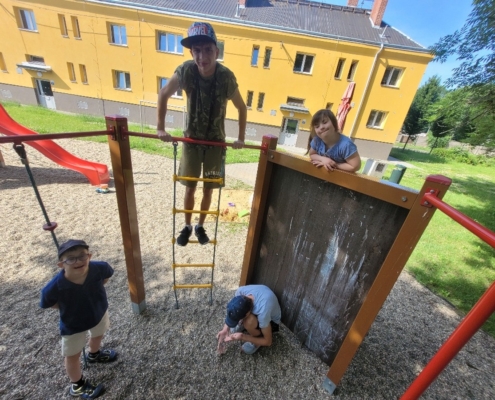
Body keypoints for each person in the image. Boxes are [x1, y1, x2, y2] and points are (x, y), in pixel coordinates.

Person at [157, 21, 247, 246]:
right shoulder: (186, 70)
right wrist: (160, 127)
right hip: (192, 140)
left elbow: (241, 107)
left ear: (217, 51)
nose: (202, 56)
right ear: (191, 52)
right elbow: (164, 94)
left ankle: (200, 226)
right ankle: (187, 226)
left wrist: (241, 138)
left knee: (209, 189)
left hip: (216, 144)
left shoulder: (226, 77)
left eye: (208, 49)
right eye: (197, 50)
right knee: (190, 186)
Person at [40, 239, 117, 399]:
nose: (78, 261)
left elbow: (105, 278)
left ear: (89, 256)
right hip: (72, 323)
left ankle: (94, 354)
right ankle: (77, 385)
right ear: (61, 264)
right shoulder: (55, 285)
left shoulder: (100, 267)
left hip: (98, 312)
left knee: (98, 334)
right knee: (72, 355)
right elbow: (49, 303)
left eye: (82, 256)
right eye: (71, 258)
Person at [216, 285, 282, 355]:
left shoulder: (263, 312)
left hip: (271, 321)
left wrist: (243, 337)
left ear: (247, 314)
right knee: (237, 325)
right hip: (262, 302)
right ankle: (246, 325)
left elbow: (268, 341)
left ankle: (257, 339)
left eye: (239, 319)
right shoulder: (240, 292)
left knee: (249, 322)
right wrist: (225, 329)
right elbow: (233, 310)